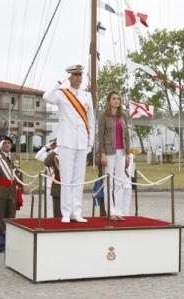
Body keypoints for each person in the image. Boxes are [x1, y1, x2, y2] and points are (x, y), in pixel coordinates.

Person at [43, 64, 95, 223]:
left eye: (80, 75)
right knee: (66, 178)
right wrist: (60, 82)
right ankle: (65, 212)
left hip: (82, 141)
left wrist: (90, 143)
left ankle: (76, 212)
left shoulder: (87, 96)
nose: (79, 78)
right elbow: (46, 97)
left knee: (78, 179)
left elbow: (91, 121)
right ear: (70, 76)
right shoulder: (61, 94)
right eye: (75, 75)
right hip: (66, 141)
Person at [97, 91, 131, 220]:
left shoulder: (123, 116)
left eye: (118, 99)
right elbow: (100, 137)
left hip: (121, 152)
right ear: (109, 101)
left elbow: (126, 136)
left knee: (120, 182)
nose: (116, 101)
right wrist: (102, 154)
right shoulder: (103, 116)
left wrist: (128, 153)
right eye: (114, 98)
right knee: (108, 182)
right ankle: (110, 211)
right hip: (109, 152)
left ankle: (119, 211)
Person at [0, 136, 23, 237]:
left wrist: (20, 189)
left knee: (11, 217)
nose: (6, 145)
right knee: (0, 217)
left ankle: (10, 238)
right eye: (4, 143)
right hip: (0, 191)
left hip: (12, 192)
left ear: (11, 145)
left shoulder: (16, 157)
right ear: (1, 145)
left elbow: (19, 174)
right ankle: (0, 239)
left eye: (8, 143)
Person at [35, 138, 57, 218]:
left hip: (59, 183)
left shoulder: (61, 153)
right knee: (49, 204)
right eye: (53, 144)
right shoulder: (47, 155)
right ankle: (49, 218)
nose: (54, 145)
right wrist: (45, 147)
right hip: (49, 183)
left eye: (55, 144)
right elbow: (37, 156)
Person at [43, 142, 62, 217]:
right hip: (58, 187)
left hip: (69, 187)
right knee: (58, 215)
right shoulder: (55, 155)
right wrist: (56, 150)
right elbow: (47, 162)